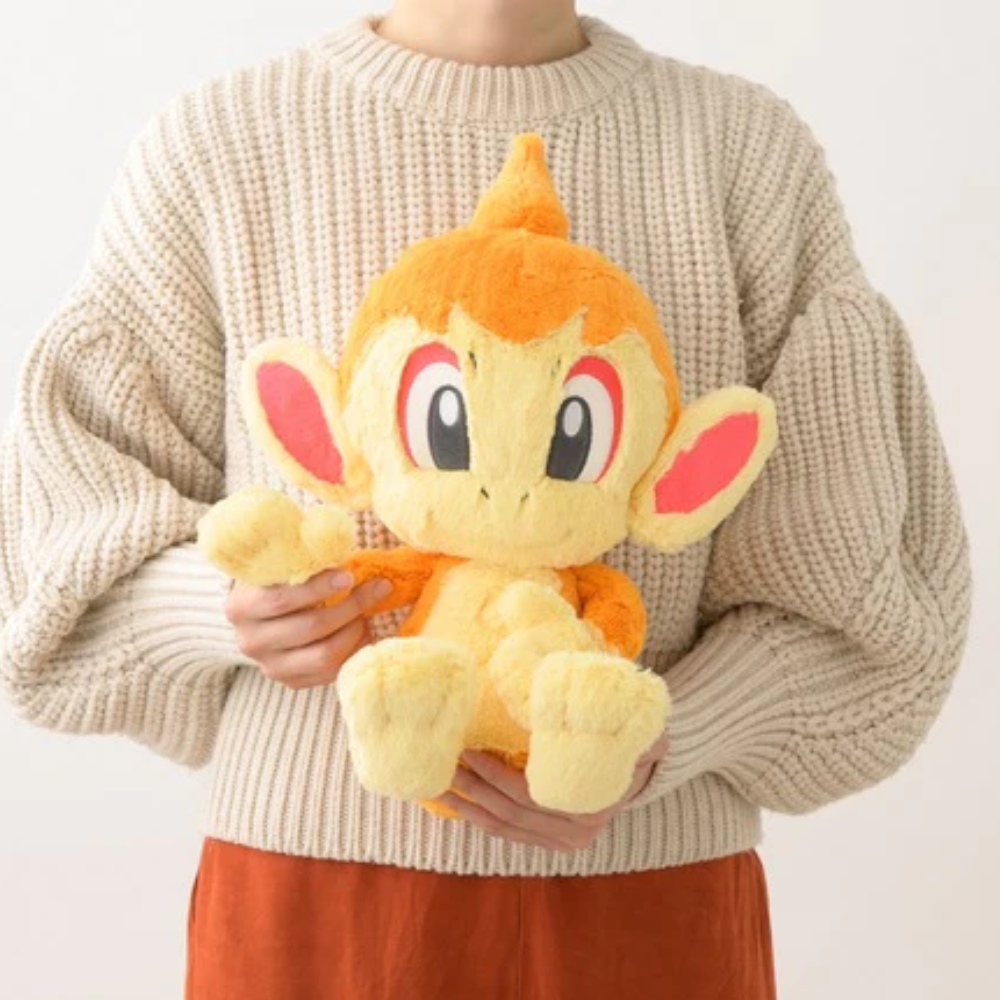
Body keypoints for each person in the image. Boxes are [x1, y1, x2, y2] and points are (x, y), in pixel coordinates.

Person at [0, 1, 973, 997]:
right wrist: (227, 609)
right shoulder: (221, 141)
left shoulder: (744, 153)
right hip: (310, 902)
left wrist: (660, 738)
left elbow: (860, 597)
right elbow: (53, 551)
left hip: (650, 899)